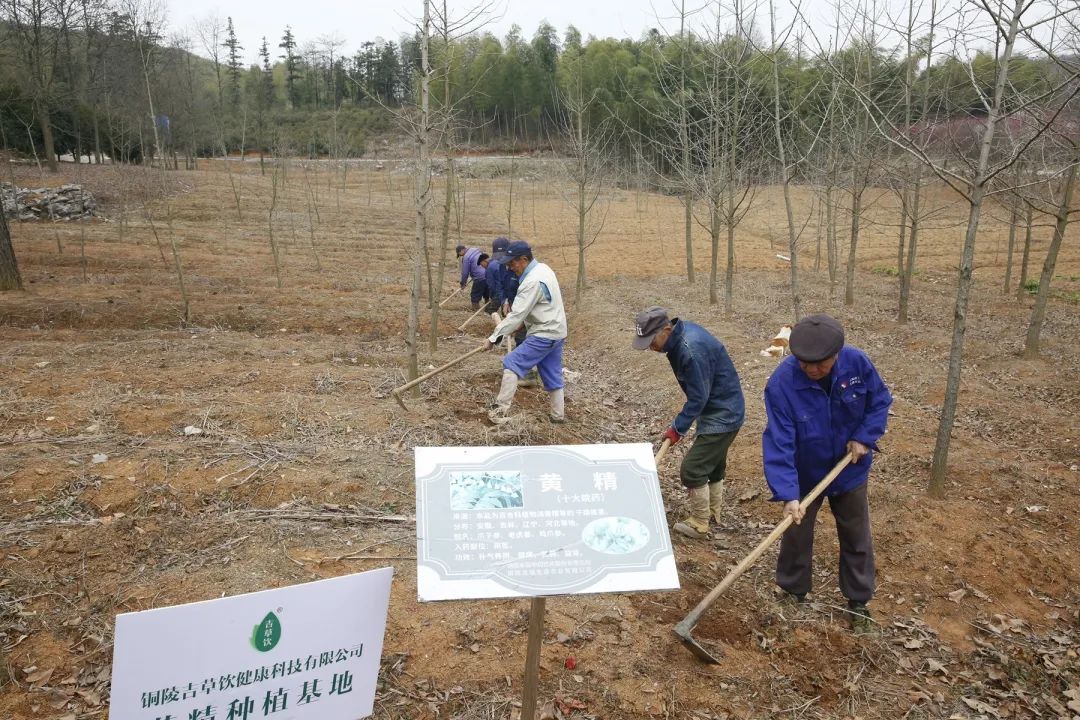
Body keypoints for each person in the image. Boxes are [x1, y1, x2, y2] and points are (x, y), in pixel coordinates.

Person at [761, 313, 892, 634]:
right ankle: (793, 591)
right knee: (796, 532)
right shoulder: (782, 384)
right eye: (805, 363)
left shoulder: (857, 364)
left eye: (820, 364)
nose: (812, 369)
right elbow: (779, 442)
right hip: (805, 474)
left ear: (837, 355)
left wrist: (864, 436)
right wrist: (789, 494)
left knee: (856, 534)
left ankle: (859, 601)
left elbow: (880, 401)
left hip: (849, 470)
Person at [632, 307, 745, 540]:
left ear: (666, 329)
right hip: (719, 407)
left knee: (692, 469)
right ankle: (714, 514)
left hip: (723, 414)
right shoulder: (679, 338)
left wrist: (677, 429)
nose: (651, 347)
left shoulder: (690, 350)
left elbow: (698, 398)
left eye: (652, 340)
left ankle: (699, 523)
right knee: (712, 465)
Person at [485, 241, 567, 424]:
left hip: (544, 332)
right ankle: (558, 416)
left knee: (511, 363)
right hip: (557, 331)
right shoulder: (544, 269)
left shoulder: (531, 282)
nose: (510, 267)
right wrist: (525, 323)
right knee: (552, 374)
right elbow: (542, 303)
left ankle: (500, 410)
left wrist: (493, 338)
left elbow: (516, 315)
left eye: (512, 263)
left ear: (523, 259)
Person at [458, 245, 488, 310]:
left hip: (479, 277)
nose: (461, 256)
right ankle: (489, 309)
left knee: (475, 295)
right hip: (488, 274)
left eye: (459, 254)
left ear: (461, 250)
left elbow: (465, 273)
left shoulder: (466, 257)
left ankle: (475, 309)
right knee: (487, 293)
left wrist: (463, 283)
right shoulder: (476, 249)